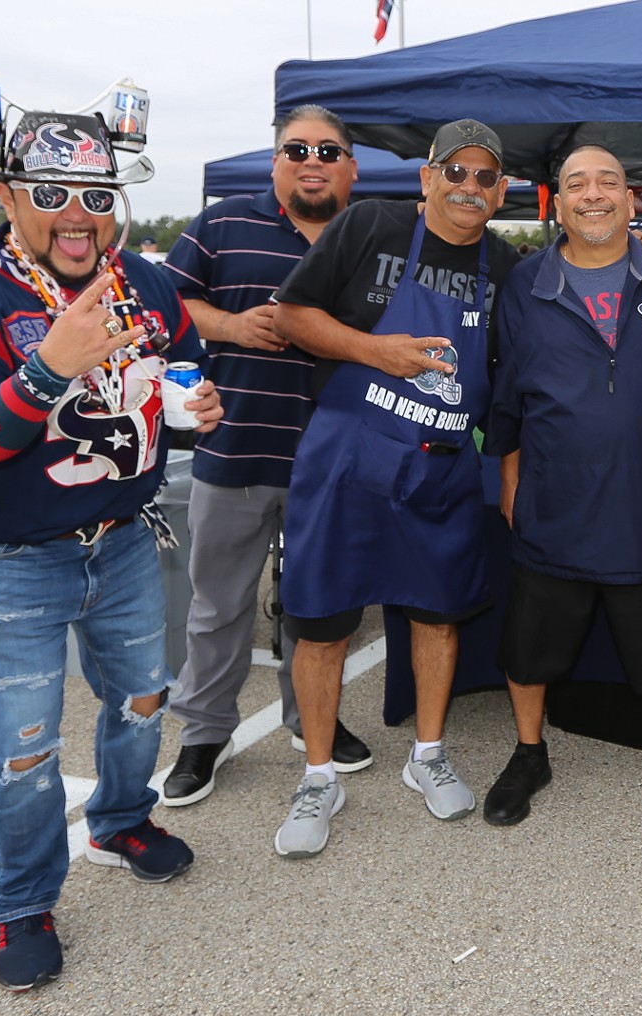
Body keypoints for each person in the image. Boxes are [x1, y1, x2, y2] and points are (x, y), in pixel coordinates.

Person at [0, 108, 222, 991]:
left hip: (121, 544)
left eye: (97, 193)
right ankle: (22, 904)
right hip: (7, 562)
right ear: (8, 197)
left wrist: (199, 406)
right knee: (23, 750)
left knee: (143, 704)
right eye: (51, 193)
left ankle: (121, 819)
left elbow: (186, 369)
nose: (77, 213)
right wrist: (47, 367)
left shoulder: (148, 285)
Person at [269, 119, 523, 858]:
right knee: (323, 624)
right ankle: (320, 775)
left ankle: (428, 754)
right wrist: (374, 350)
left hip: (440, 467)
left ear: (500, 191)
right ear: (428, 177)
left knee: (438, 617)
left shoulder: (504, 266)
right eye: (455, 172)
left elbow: (512, 376)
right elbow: (290, 315)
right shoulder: (370, 226)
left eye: (484, 178)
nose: (468, 188)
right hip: (347, 458)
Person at [483, 144, 642, 826]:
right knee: (529, 647)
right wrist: (508, 479)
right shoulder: (525, 286)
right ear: (557, 204)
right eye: (577, 184)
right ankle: (530, 752)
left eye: (609, 181)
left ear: (631, 200)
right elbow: (506, 401)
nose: (593, 194)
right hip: (554, 505)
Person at [159, 105, 367, 807]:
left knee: (316, 609)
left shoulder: (368, 236)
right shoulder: (222, 224)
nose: (313, 160)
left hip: (331, 464)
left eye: (329, 151)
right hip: (237, 450)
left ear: (351, 167)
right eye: (297, 148)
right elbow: (168, 308)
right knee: (218, 608)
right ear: (275, 160)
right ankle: (203, 733)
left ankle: (310, 720)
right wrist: (232, 325)